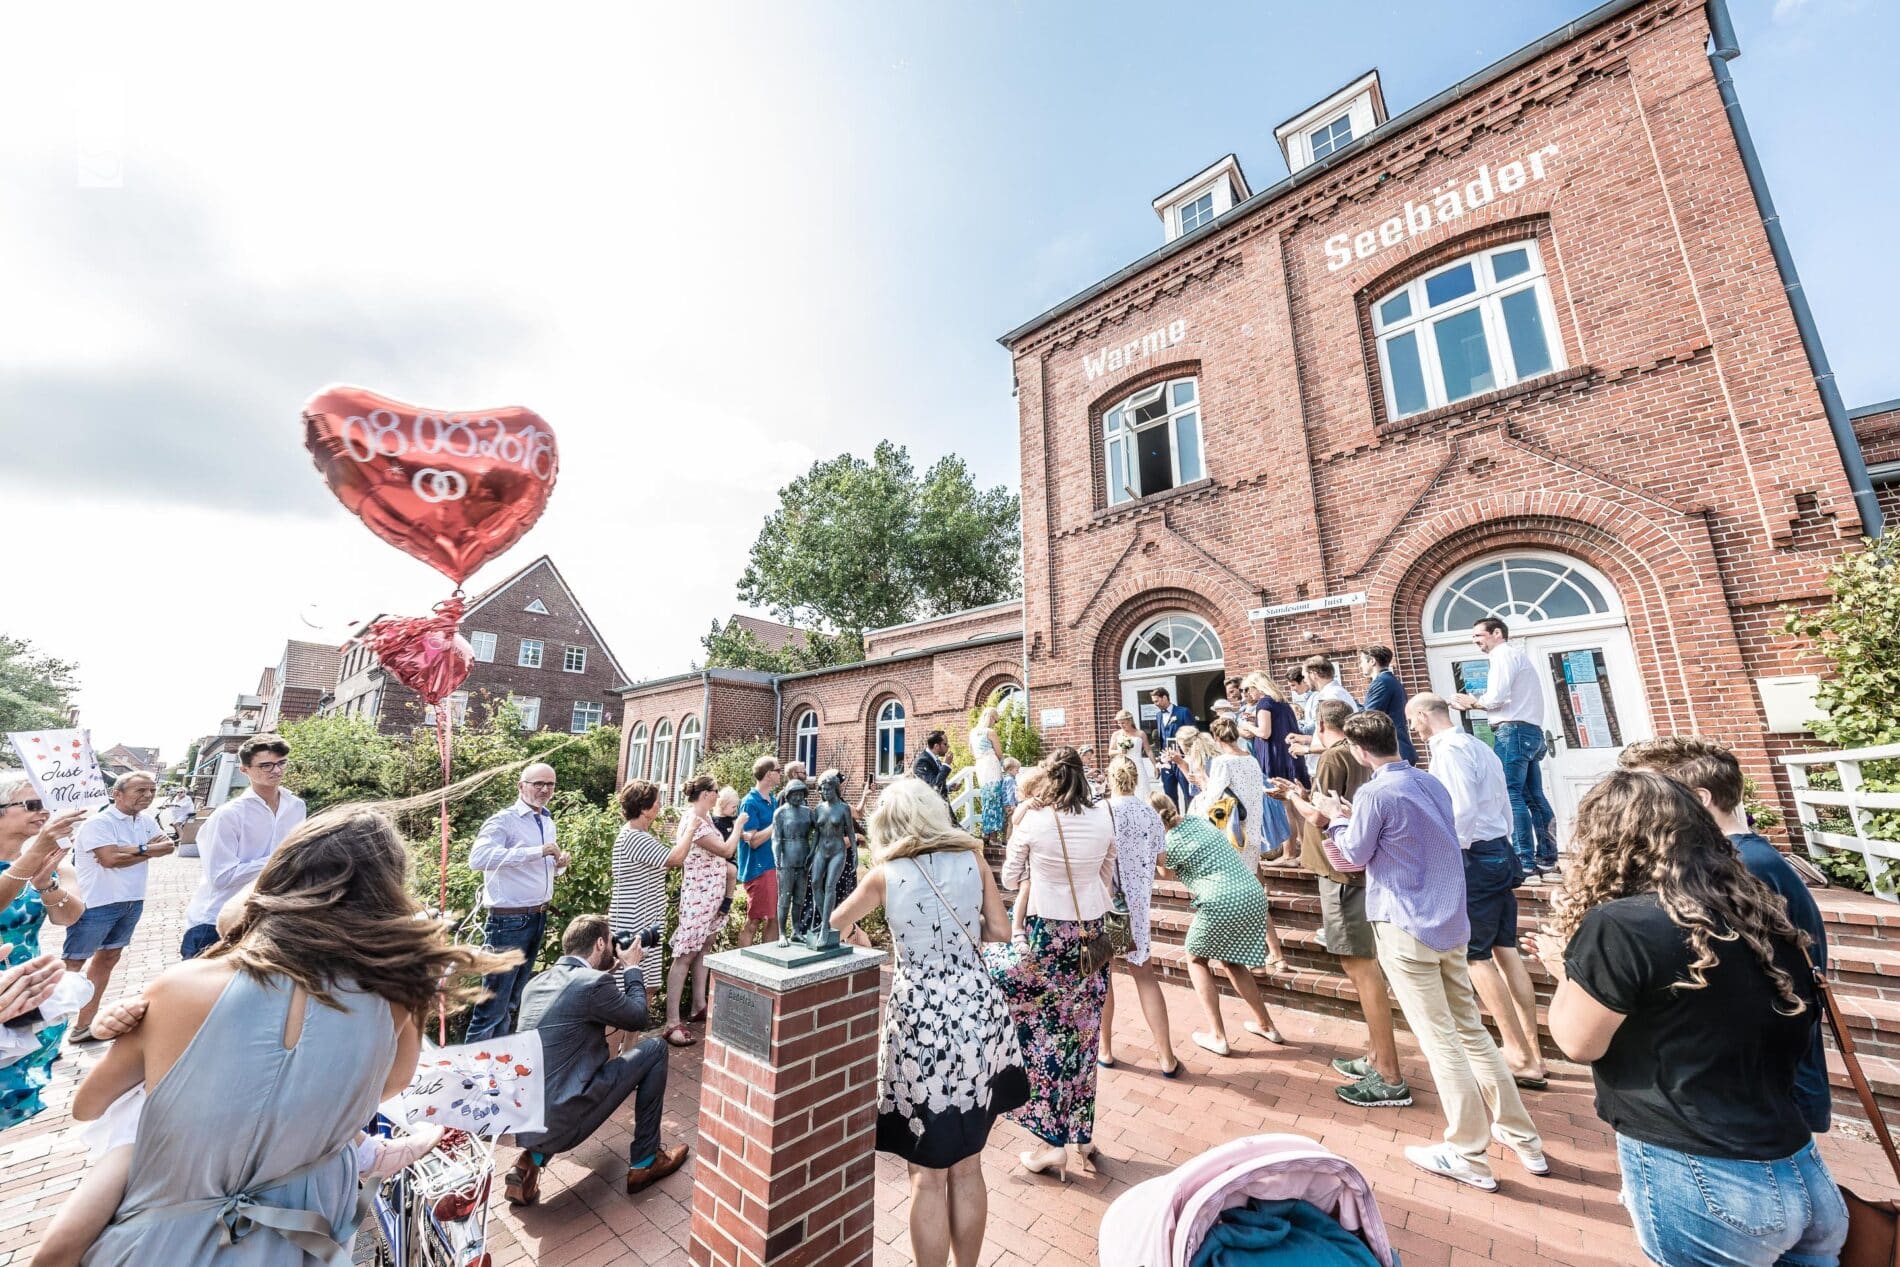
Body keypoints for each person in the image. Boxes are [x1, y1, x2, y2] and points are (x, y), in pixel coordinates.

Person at [69, 802, 509, 1265]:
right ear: (386, 893)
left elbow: (88, 1106)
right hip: (305, 1229)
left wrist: (123, 1035)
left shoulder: (180, 988)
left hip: (169, 1233)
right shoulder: (396, 991)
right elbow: (390, 1085)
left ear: (275, 881)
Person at [1528, 770, 1845, 1267]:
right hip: (1799, 1167)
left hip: (1703, 1174)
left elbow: (1577, 1042)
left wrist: (1563, 970)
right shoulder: (1760, 911)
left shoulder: (1622, 924)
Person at [1324, 711, 1544, 1191]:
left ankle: (1468, 1152)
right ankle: (1521, 1135)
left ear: (1360, 752)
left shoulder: (1375, 792)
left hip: (1406, 924)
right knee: (1471, 1030)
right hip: (1450, 919)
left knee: (1440, 1039)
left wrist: (1332, 820)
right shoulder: (1431, 784)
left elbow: (1354, 856)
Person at [831, 780, 1027, 1267]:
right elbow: (1002, 931)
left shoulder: (885, 874)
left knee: (927, 1170)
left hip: (922, 1020)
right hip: (976, 1011)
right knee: (968, 1163)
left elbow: (834, 923)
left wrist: (865, 934)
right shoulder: (971, 858)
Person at [1619, 736, 1830, 1133]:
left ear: (1698, 799)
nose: (1634, 807)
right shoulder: (1748, 857)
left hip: (1760, 1086)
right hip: (1759, 1079)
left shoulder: (1734, 867)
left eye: (1649, 794)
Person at [986, 746, 1115, 1181]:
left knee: (1044, 1037)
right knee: (1083, 1034)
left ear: (1049, 778)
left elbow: (1008, 878)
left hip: (1048, 932)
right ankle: (1082, 1134)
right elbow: (1106, 873)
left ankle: (1050, 1142)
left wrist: (1022, 821)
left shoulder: (1037, 822)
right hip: (1093, 932)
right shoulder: (1103, 816)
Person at [1407, 694, 1547, 1090]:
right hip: (1498, 848)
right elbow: (1504, 802)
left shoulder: (1448, 750)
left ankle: (1519, 1055)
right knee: (1507, 950)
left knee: (1476, 956)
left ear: (1421, 716)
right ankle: (1532, 1052)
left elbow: (1461, 810)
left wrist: (1452, 854)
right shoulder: (1478, 745)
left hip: (1473, 855)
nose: (1414, 729)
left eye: (1413, 721)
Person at [503, 915, 689, 1206]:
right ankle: (646, 1161)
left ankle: (530, 1161)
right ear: (601, 943)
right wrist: (633, 967)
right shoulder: (592, 984)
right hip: (564, 1119)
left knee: (555, 1075)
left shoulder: (537, 983)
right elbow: (638, 1017)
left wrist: (608, 970)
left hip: (525, 1119)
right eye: (610, 940)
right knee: (654, 1050)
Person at [1277, 699, 1406, 1108]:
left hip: (1341, 872)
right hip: (1352, 867)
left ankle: (1387, 1071)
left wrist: (1293, 798)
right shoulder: (1366, 759)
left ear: (1319, 724)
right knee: (1360, 964)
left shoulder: (1335, 756)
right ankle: (1374, 1054)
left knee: (1359, 965)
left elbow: (1321, 814)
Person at [1148, 792, 1284, 1058]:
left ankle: (1218, 1036)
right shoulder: (1199, 822)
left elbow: (1165, 874)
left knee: (1196, 958)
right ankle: (1267, 1025)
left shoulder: (1171, 841)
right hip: (1251, 892)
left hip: (1221, 900)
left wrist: (1151, 847)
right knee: (1232, 961)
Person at [0, 775, 85, 1130]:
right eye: (32, 805)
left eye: (46, 805)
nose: (43, 814)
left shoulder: (54, 858)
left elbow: (70, 915)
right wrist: (33, 856)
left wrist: (46, 883)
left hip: (31, 993)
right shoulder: (38, 852)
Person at [64, 773, 174, 1042]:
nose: (147, 795)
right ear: (117, 793)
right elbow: (110, 859)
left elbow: (169, 846)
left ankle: (82, 1026)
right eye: (140, 790)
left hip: (131, 901)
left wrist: (135, 849)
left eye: (151, 790)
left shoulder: (146, 820)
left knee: (108, 960)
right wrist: (148, 850)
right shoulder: (99, 823)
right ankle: (45, 1028)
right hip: (96, 903)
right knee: (72, 965)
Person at [465, 763, 570, 1041]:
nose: (545, 790)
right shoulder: (504, 820)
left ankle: (495, 1068)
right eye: (538, 784)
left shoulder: (547, 821)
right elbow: (478, 859)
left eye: (550, 784)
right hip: (508, 921)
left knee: (512, 1003)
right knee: (491, 1007)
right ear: (521, 786)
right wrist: (536, 852)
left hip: (537, 917)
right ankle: (469, 1075)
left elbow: (540, 866)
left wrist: (559, 865)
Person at [179, 734, 303, 960]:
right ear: (244, 770)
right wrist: (282, 860)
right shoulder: (229, 815)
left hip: (267, 919)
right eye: (266, 765)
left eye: (281, 763)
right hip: (215, 921)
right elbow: (222, 877)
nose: (276, 770)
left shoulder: (296, 806)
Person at [1453, 618, 1558, 882]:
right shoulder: (1516, 657)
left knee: (1512, 794)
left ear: (1497, 633)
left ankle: (1524, 862)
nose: (1476, 641)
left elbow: (1497, 697)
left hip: (1513, 732)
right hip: (1530, 731)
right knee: (1534, 796)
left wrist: (1472, 702)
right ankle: (1547, 857)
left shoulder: (1502, 655)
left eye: (1479, 635)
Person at [1096, 758, 1178, 1076]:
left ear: (1110, 779)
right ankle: (1166, 1057)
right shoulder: (1149, 813)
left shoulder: (1102, 811)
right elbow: (1163, 864)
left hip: (1110, 906)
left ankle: (1105, 1050)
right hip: (1138, 907)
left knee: (1105, 976)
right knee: (1145, 976)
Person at [663, 775, 733, 1045]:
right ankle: (671, 1021)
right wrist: (738, 826)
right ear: (705, 794)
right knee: (684, 955)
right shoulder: (693, 820)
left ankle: (699, 1004)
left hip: (711, 899)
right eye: (716, 791)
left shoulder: (708, 819)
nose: (718, 795)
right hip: (698, 900)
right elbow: (726, 850)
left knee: (703, 950)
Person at [609, 778, 671, 994]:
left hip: (649, 919)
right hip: (633, 920)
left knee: (649, 985)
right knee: (626, 987)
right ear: (644, 808)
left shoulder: (643, 835)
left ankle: (636, 1029)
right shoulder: (634, 837)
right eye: (656, 801)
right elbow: (674, 859)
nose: (660, 805)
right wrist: (691, 828)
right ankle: (623, 1029)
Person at [1186, 716, 1269, 876]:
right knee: (1249, 873)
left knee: (1232, 876)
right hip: (1253, 824)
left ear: (1216, 737)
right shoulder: (1252, 760)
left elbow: (1212, 795)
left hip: (1233, 826)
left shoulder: (1222, 762)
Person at [1238, 672, 1299, 855]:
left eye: (1248, 689)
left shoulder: (1264, 703)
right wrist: (1255, 720)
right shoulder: (1281, 702)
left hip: (1273, 757)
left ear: (1257, 686)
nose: (1248, 693)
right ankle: (1299, 850)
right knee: (1295, 804)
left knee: (1284, 806)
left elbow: (1264, 733)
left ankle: (1288, 853)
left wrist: (1247, 726)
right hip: (1287, 755)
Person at [735, 756, 782, 946]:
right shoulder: (750, 802)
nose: (781, 773)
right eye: (778, 770)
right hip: (759, 869)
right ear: (769, 774)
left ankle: (768, 962)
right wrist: (776, 823)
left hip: (774, 865)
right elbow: (752, 841)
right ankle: (739, 965)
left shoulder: (771, 800)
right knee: (754, 920)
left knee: (774, 917)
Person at [1358, 646, 1417, 765]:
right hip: (1398, 748)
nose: (1360, 665)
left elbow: (1367, 716)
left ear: (1372, 661)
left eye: (1362, 661)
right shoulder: (1391, 680)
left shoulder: (1382, 682)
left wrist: (1349, 702)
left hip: (1393, 751)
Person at [1150, 688, 1196, 809]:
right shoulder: (1158, 715)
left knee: (1188, 792)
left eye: (1157, 701)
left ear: (1165, 697)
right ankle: (1173, 821)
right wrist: (1160, 759)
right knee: (1169, 795)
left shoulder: (1183, 712)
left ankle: (1191, 820)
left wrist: (1188, 756)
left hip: (1182, 759)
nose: (1155, 704)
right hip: (1166, 760)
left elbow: (1193, 734)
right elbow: (1161, 739)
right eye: (1154, 702)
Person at [970, 708, 1008, 843]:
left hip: (980, 766)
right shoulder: (990, 732)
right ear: (991, 718)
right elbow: (999, 753)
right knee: (995, 799)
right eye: (995, 720)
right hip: (991, 765)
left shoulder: (972, 732)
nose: (994, 723)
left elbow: (972, 752)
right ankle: (993, 836)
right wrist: (1005, 765)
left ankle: (986, 832)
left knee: (987, 799)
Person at [1106, 710, 1155, 799]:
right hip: (1122, 766)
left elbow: (1148, 751)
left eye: (1123, 723)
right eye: (1119, 723)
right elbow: (1110, 752)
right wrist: (1119, 751)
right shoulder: (1116, 734)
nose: (1121, 725)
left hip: (1137, 765)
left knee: (1141, 788)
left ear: (1130, 721)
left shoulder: (1140, 733)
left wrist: (1155, 766)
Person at [913, 731, 953, 800]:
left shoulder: (934, 758)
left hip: (941, 806)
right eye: (945, 744)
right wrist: (946, 765)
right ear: (936, 746)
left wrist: (948, 788)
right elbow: (934, 786)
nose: (948, 746)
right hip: (931, 808)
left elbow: (937, 782)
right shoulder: (922, 761)